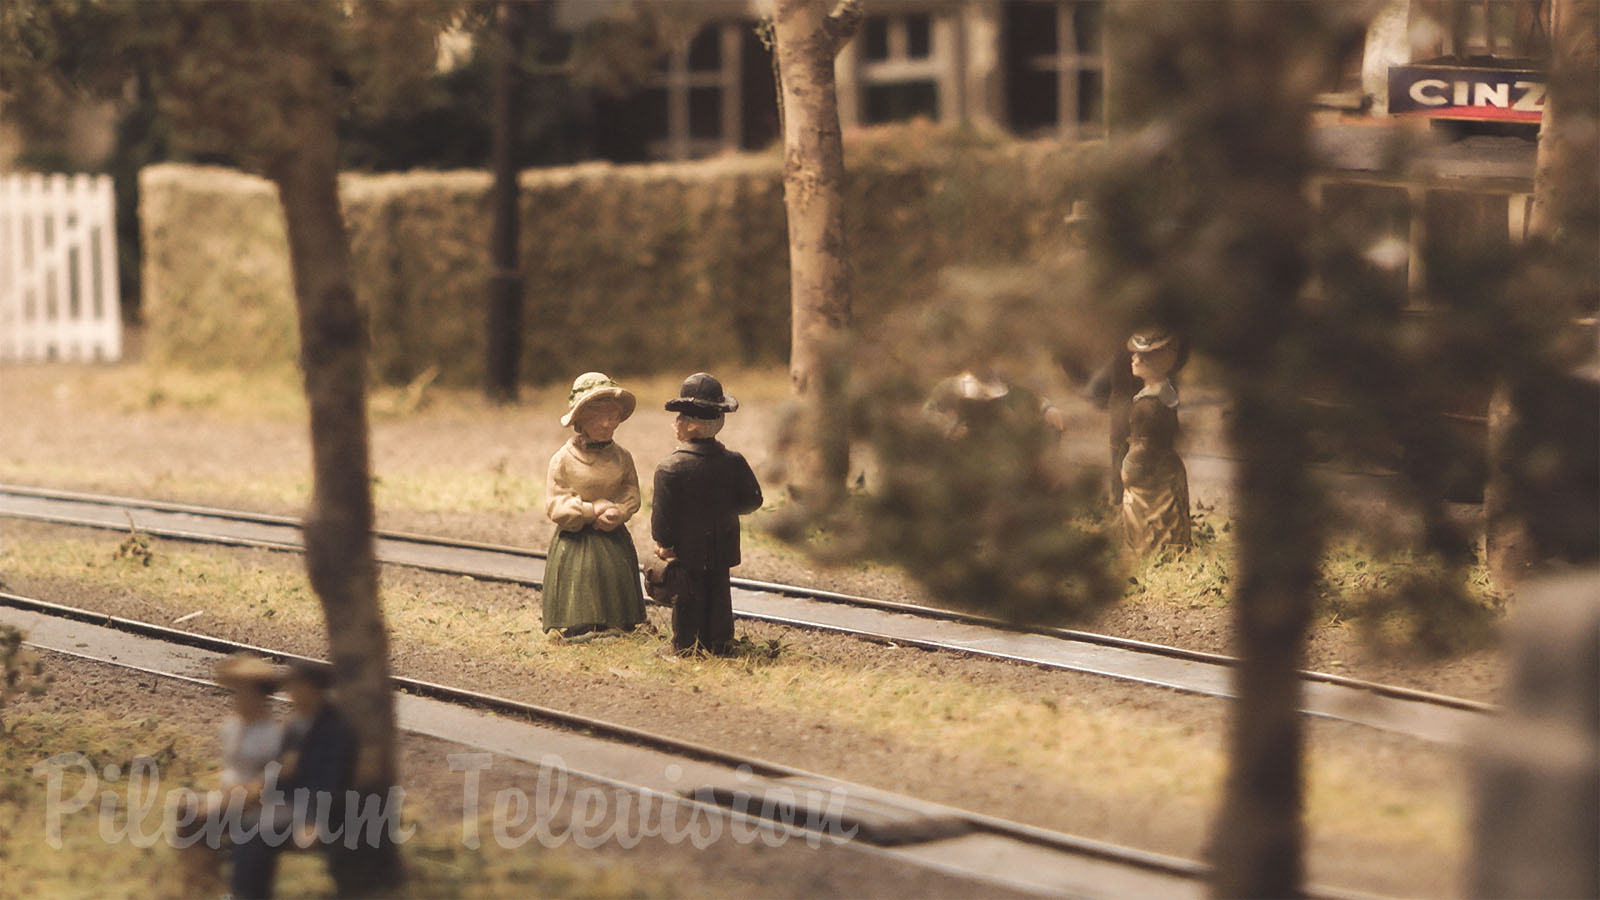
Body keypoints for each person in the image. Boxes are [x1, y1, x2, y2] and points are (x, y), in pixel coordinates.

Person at [651, 373, 764, 656]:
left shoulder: (670, 468)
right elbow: (752, 500)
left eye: (679, 418)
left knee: (688, 598)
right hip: (722, 544)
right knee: (719, 594)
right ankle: (721, 642)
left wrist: (664, 545)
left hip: (686, 549)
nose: (675, 424)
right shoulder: (734, 462)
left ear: (690, 425)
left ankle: (687, 645)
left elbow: (663, 518)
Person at [231, 660, 359, 900]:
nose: (291, 694)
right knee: (244, 820)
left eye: (296, 688)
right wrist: (262, 789)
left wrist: (314, 821)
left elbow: (331, 783)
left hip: (318, 809)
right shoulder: (296, 725)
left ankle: (247, 894)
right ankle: (243, 891)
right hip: (288, 802)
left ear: (313, 690)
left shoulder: (337, 730)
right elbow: (279, 772)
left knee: (259, 828)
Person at [542, 372, 647, 640]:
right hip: (577, 541)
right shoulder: (563, 460)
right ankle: (580, 624)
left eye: (613, 417)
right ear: (581, 420)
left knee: (615, 578)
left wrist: (620, 510)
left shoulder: (622, 457)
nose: (607, 423)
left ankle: (619, 621)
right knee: (582, 578)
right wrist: (589, 511)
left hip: (613, 537)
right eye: (598, 417)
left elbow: (631, 491)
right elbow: (555, 504)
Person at [1120, 330, 1192, 553]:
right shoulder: (1167, 393)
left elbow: (1143, 446)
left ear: (1151, 363)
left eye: (1139, 357)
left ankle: (1149, 551)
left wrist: (1128, 468)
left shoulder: (1147, 405)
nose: (1133, 359)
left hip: (1148, 472)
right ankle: (1170, 549)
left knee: (1143, 511)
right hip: (1167, 465)